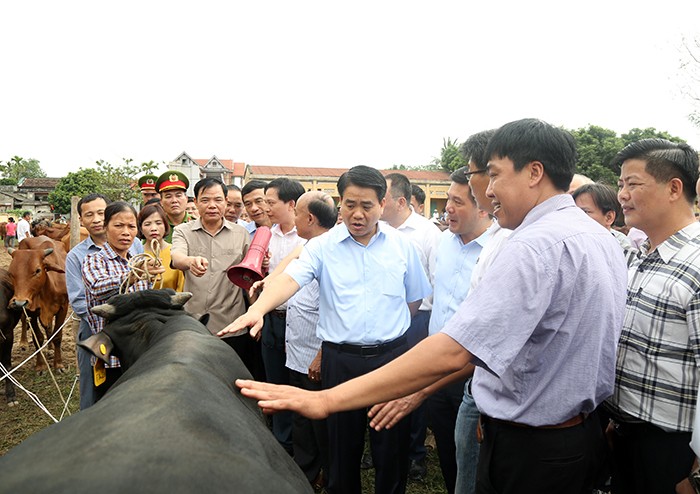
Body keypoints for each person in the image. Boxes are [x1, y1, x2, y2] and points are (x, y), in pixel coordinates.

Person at [234, 119, 628, 494]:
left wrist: (325, 399)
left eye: (494, 175)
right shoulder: (598, 237)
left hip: (531, 447)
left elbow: (457, 349)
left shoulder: (531, 247)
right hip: (573, 435)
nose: (487, 191)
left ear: (534, 172)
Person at [220, 165, 431, 494]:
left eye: (367, 205)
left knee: (391, 448)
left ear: (383, 202)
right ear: (340, 202)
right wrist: (258, 309)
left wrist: (385, 330)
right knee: (340, 449)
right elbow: (290, 279)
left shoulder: (402, 247)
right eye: (349, 205)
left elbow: (413, 301)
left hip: (390, 360)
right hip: (340, 360)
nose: (357, 214)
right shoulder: (321, 247)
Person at [604, 138, 700, 494]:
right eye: (620, 185)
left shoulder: (696, 264)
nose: (622, 195)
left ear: (674, 188)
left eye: (633, 184)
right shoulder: (638, 255)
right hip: (627, 436)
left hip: (675, 450)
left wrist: (698, 473)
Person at [252, 191, 336, 489]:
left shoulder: (332, 253)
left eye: (298, 213)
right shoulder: (310, 247)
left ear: (310, 218)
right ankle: (306, 472)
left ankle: (327, 471)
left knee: (319, 422)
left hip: (316, 355)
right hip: (297, 351)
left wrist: (320, 355)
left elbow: (336, 312)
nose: (295, 218)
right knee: (301, 417)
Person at [380, 172, 441, 481]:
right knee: (384, 385)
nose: (376, 203)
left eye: (382, 198)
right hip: (383, 322)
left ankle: (415, 454)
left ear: (400, 202)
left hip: (417, 323)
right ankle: (384, 446)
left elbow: (436, 281)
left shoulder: (428, 233)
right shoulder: (376, 231)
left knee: (413, 388)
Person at [66, 194, 145, 409]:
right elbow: (84, 298)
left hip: (136, 340)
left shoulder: (137, 248)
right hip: (98, 332)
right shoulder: (84, 257)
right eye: (89, 214)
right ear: (81, 220)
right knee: (97, 395)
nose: (96, 219)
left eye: (100, 212)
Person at [170, 178, 254, 371]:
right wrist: (190, 262)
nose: (212, 205)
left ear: (225, 201)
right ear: (196, 202)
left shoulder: (241, 234)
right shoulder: (183, 231)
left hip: (232, 325)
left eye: (217, 200)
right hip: (194, 325)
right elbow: (177, 257)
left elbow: (250, 273)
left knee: (232, 378)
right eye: (205, 200)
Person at [82, 201, 162, 401]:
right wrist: (134, 275)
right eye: (119, 226)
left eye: (131, 226)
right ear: (105, 227)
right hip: (110, 358)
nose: (126, 232)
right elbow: (97, 288)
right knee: (109, 409)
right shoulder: (94, 261)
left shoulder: (138, 261)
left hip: (140, 355)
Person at [260, 177, 306, 454]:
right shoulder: (265, 235)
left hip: (299, 322)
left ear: (291, 204)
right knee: (274, 381)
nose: (265, 208)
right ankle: (280, 444)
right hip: (272, 319)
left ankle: (301, 448)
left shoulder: (308, 237)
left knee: (297, 384)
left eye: (270, 202)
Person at [138, 203, 185, 291]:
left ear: (165, 225)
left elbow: (181, 288)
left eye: (158, 223)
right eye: (147, 224)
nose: (153, 228)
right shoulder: (136, 254)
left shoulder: (175, 253)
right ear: (140, 228)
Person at [572, 182, 631, 249]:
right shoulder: (569, 247)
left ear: (609, 217)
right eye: (574, 212)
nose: (576, 217)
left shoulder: (624, 253)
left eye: (585, 212)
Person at [155, 170, 191, 242]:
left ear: (186, 199)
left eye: (178, 195)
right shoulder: (155, 227)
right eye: (168, 196)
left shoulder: (196, 224)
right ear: (161, 202)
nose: (174, 200)